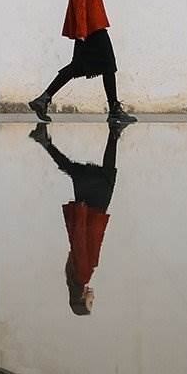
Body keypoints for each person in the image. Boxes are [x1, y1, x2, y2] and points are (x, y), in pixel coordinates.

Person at [29, 0, 136, 124]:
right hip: (92, 26)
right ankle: (114, 110)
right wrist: (80, 30)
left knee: (77, 66)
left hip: (89, 25)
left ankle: (43, 99)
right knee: (109, 64)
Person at [30, 122, 123, 315]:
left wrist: (81, 214)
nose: (92, 299)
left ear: (81, 298)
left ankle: (114, 131)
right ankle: (44, 141)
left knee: (108, 175)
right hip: (88, 213)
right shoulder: (73, 276)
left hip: (93, 213)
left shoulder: (82, 275)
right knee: (74, 171)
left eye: (90, 303)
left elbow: (80, 242)